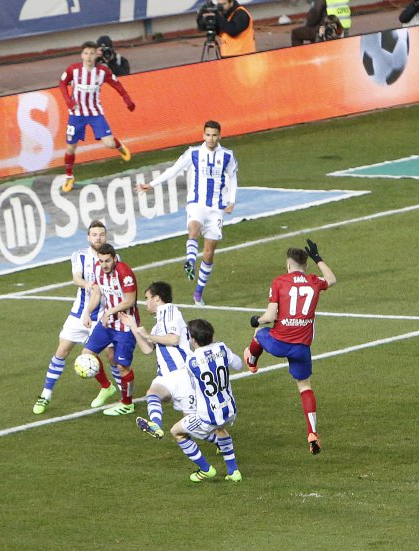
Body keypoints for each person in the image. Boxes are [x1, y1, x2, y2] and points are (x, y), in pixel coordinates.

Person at [244, 240, 336, 455]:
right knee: (305, 386)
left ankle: (252, 362)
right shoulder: (314, 281)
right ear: (306, 265)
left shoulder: (279, 281)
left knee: (259, 333)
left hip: (279, 342)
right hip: (301, 348)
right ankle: (312, 432)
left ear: (288, 264)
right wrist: (318, 257)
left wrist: (256, 320)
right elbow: (332, 279)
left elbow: (270, 316)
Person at [136, 120, 238, 306]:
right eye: (208, 135)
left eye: (214, 135)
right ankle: (190, 261)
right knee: (194, 229)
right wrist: (151, 185)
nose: (211, 138)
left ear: (219, 136)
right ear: (203, 135)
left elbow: (233, 178)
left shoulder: (227, 156)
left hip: (216, 208)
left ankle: (198, 292)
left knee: (208, 252)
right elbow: (173, 170)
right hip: (196, 203)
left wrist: (231, 201)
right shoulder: (193, 153)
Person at [32, 220, 116, 414]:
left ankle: (118, 394)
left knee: (109, 356)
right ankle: (46, 395)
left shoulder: (113, 257)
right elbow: (76, 277)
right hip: (79, 313)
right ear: (88, 237)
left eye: (101, 234)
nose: (98, 237)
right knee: (62, 351)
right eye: (94, 234)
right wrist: (87, 284)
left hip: (103, 316)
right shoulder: (79, 256)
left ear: (106, 236)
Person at [170, 318, 244, 482]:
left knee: (177, 432)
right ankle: (233, 472)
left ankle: (206, 470)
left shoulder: (192, 361)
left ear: (193, 339)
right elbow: (239, 365)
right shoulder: (223, 348)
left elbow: (192, 386)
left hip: (208, 415)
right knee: (220, 429)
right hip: (230, 410)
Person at [117, 281, 193, 440]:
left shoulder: (170, 310)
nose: (145, 303)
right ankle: (156, 426)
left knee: (193, 427)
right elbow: (147, 349)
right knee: (152, 393)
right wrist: (133, 326)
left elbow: (173, 339)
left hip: (181, 373)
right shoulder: (158, 324)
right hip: (167, 376)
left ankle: (223, 447)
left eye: (147, 298)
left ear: (157, 298)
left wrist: (148, 336)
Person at [58, 41, 136, 194]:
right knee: (70, 147)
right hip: (76, 115)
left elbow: (117, 85)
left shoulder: (102, 72)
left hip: (95, 113)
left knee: (109, 143)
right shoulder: (73, 70)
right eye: (86, 53)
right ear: (82, 55)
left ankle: (119, 147)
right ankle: (69, 176)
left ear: (96, 55)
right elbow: (62, 83)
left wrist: (128, 100)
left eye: (92, 53)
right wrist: (69, 101)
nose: (88, 57)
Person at [81, 243, 139, 416]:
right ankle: (106, 387)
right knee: (87, 355)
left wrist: (110, 311)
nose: (104, 265)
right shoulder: (99, 271)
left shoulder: (124, 272)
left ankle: (127, 404)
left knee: (122, 366)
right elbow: (97, 294)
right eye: (101, 261)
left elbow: (129, 300)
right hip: (107, 323)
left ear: (114, 258)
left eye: (107, 261)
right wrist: (87, 312)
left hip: (125, 325)